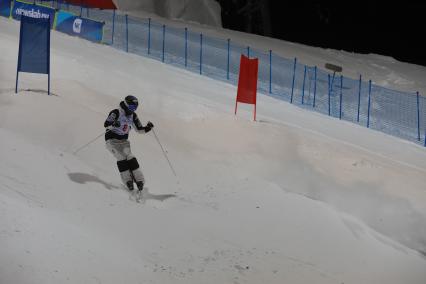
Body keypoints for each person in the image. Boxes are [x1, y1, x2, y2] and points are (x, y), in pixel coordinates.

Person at [104, 95, 154, 193]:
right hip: (112, 140)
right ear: (126, 105)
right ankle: (128, 181)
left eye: (135, 108)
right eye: (131, 107)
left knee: (130, 157)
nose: (133, 110)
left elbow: (139, 130)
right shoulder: (116, 112)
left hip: (124, 142)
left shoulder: (133, 116)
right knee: (121, 157)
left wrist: (148, 127)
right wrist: (114, 124)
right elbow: (106, 124)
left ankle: (139, 180)